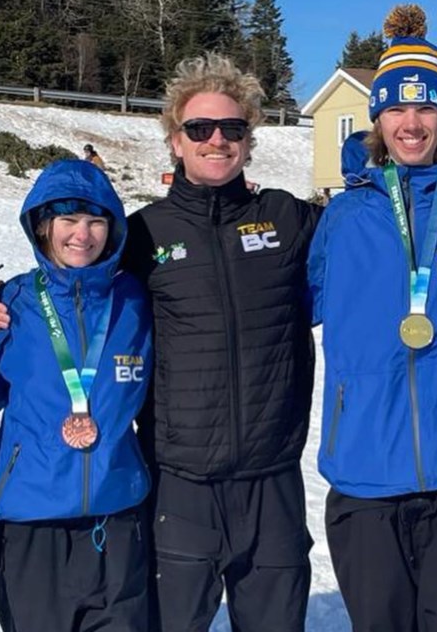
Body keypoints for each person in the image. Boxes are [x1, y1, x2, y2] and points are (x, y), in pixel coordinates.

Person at [306, 4, 437, 632]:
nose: (411, 123)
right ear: (377, 120)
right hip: (365, 471)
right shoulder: (343, 218)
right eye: (396, 108)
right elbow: (277, 305)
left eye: (426, 109)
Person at [123, 52, 320, 632]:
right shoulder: (143, 234)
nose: (217, 140)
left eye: (232, 128)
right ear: (175, 141)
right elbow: (75, 283)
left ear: (248, 139)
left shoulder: (286, 218)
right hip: (181, 485)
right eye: (199, 129)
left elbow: (369, 249)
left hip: (273, 480)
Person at [0, 159, 154, 631]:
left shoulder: (137, 302)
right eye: (68, 220)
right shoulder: (12, 303)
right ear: (43, 226)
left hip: (116, 517)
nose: (83, 234)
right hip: (28, 521)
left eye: (96, 221)